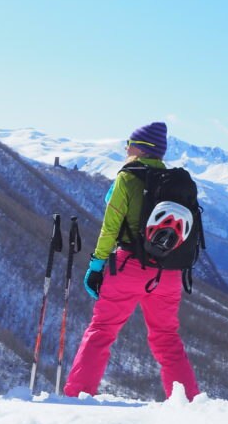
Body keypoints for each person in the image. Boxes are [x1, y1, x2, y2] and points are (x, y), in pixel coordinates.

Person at [63, 122, 200, 400]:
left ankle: (78, 396)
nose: (126, 148)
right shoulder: (175, 182)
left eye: (129, 143)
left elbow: (110, 229)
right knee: (167, 339)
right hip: (168, 273)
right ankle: (188, 403)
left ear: (141, 148)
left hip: (128, 267)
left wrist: (96, 264)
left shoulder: (127, 178)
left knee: (102, 331)